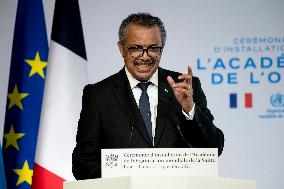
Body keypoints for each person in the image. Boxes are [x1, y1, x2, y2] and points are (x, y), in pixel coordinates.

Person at [72, 12, 224, 179]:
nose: (145, 57)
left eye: (153, 48)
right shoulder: (98, 95)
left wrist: (190, 111)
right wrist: (123, 177)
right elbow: (82, 162)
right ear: (121, 49)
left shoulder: (186, 86)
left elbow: (214, 149)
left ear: (162, 49)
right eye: (136, 48)